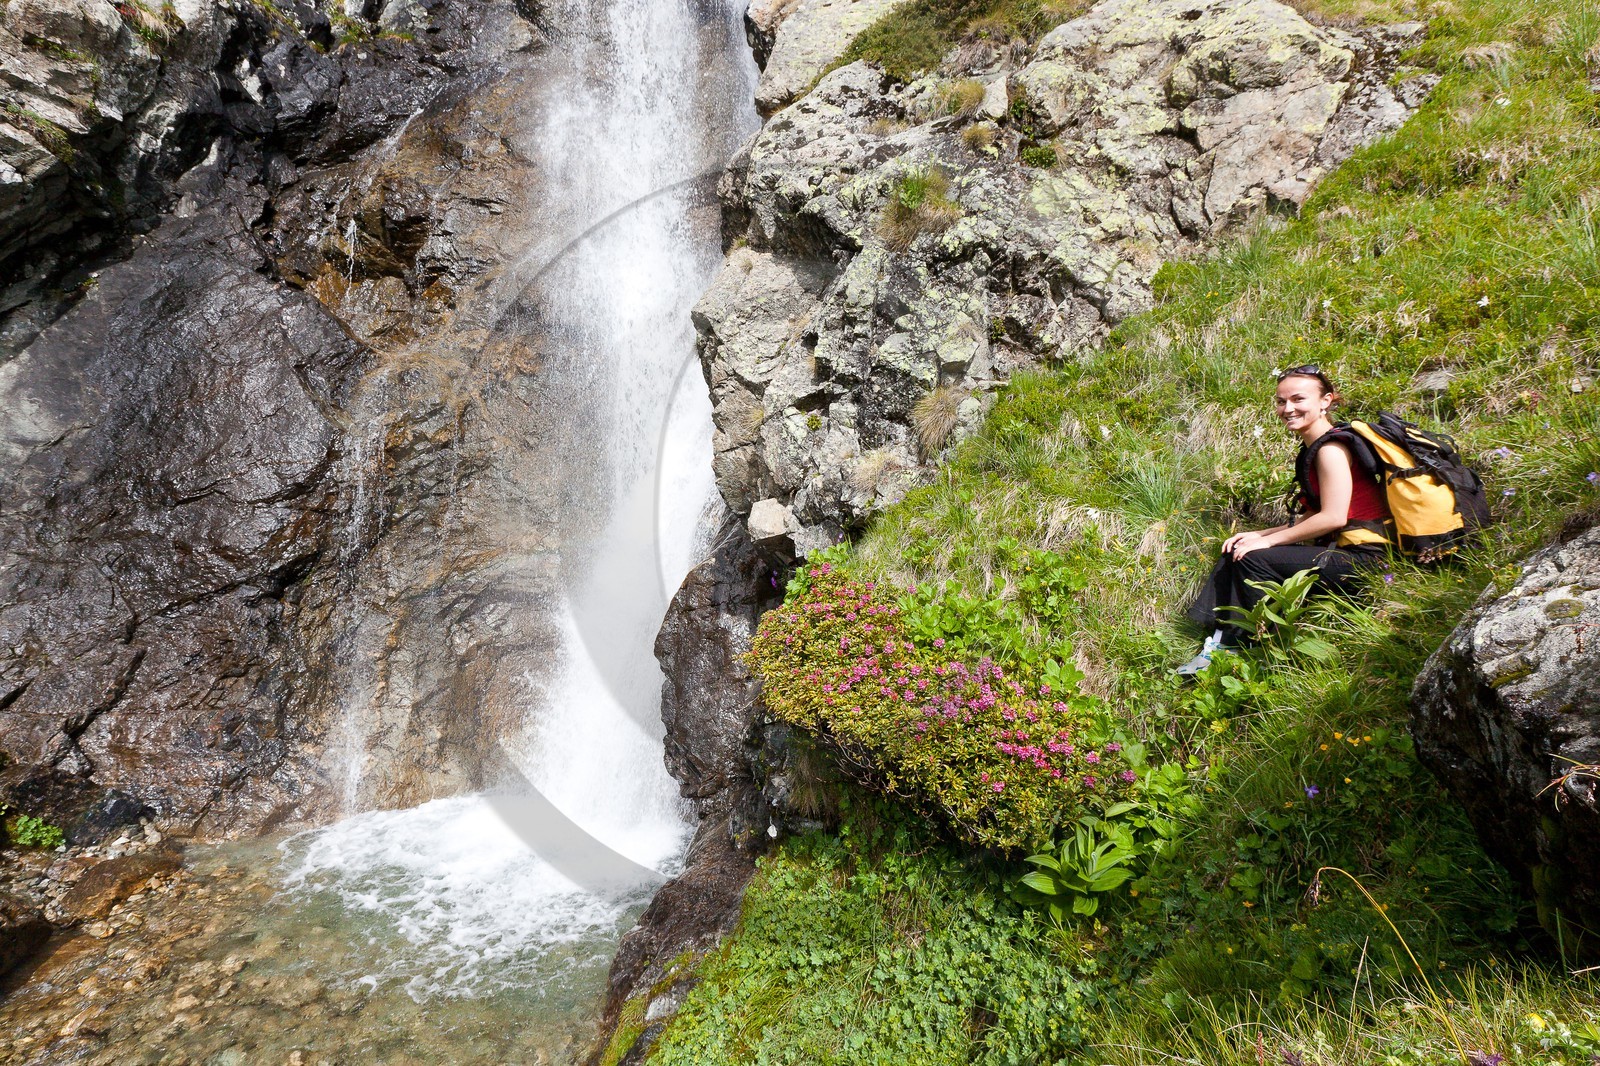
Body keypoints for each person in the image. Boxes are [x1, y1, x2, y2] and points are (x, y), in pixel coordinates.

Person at [1176, 365, 1392, 676]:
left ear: (1326, 401)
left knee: (1253, 558)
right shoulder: (1315, 447)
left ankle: (1259, 647)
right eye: (1281, 401)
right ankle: (1222, 639)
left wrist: (1267, 542)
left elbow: (1333, 517)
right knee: (1238, 548)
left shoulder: (1331, 450)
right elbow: (1314, 515)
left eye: (1298, 399)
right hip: (1345, 551)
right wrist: (1259, 534)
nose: (1287, 408)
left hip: (1366, 560)